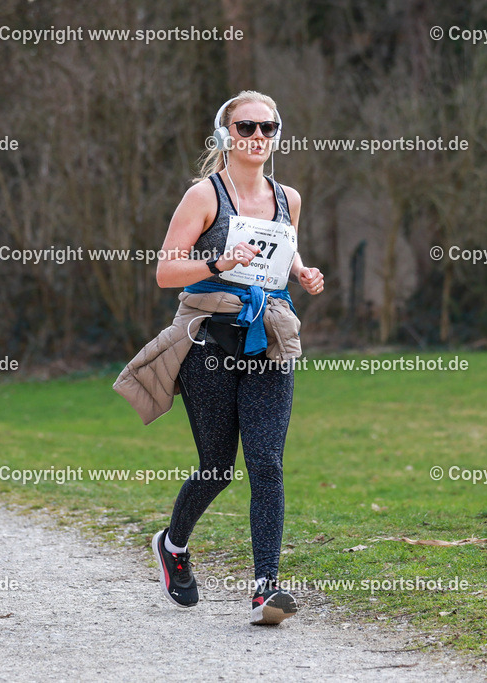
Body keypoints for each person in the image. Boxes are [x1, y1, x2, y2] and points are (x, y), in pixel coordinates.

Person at [148, 90, 324, 625]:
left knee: (266, 463)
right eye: (246, 127)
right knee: (218, 468)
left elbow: (279, 251)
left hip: (268, 341)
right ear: (226, 135)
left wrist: (302, 272)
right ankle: (173, 545)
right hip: (210, 345)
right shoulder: (203, 196)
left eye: (267, 128)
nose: (257, 138)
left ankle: (265, 590)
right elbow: (166, 271)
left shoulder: (287, 197)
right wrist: (217, 260)